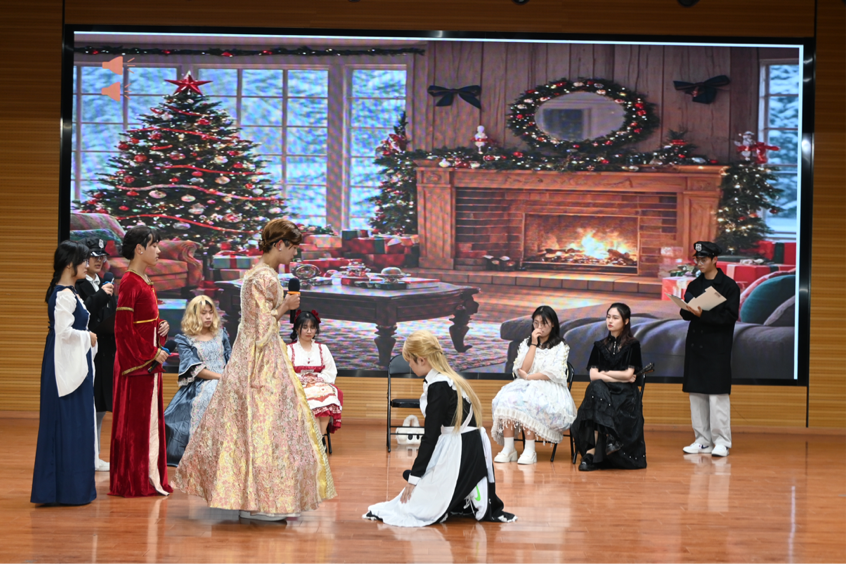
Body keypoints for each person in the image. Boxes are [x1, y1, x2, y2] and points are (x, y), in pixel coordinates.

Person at [175, 219, 336, 522]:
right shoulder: (266, 278)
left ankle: (249, 499)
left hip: (248, 354)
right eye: (293, 247)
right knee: (267, 424)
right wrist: (286, 306)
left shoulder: (254, 274)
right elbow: (262, 327)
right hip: (262, 359)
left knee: (247, 425)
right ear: (279, 244)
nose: (295, 253)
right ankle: (261, 502)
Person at [364, 330, 517, 527]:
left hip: (460, 450)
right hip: (467, 446)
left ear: (421, 359)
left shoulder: (439, 386)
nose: (409, 366)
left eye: (410, 361)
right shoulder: (446, 379)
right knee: (419, 492)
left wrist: (414, 478)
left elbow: (430, 437)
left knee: (412, 507)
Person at [31, 241, 97, 505]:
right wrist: (88, 337)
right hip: (63, 368)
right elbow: (64, 332)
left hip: (71, 364)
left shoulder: (71, 293)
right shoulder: (64, 295)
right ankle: (65, 490)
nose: (87, 265)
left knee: (75, 425)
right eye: (83, 260)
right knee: (68, 424)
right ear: (70, 264)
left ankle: (71, 489)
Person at [109, 226, 172, 498]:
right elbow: (123, 329)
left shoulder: (144, 281)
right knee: (137, 425)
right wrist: (150, 353)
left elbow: (142, 323)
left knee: (148, 422)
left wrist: (160, 327)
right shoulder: (130, 282)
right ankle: (135, 479)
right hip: (138, 365)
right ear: (139, 249)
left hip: (148, 363)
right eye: (154, 245)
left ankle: (149, 475)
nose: (158, 251)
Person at [490, 306, 576, 465]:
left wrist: (530, 377)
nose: (539, 327)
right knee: (507, 398)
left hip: (550, 386)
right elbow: (522, 368)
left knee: (529, 400)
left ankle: (530, 450)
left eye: (544, 323)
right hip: (526, 384)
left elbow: (555, 372)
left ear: (553, 324)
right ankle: (509, 449)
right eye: (536, 323)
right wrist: (533, 345)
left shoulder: (560, 346)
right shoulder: (526, 343)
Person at [680, 241, 740, 458]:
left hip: (717, 347)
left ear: (715, 259)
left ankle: (722, 441)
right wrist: (688, 308)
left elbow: (729, 317)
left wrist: (702, 314)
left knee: (717, 396)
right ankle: (702, 440)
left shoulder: (729, 286)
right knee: (696, 395)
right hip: (696, 346)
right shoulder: (694, 285)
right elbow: (685, 314)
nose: (700, 263)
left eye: (703, 259)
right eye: (697, 259)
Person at [573, 303, 646, 471]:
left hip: (625, 394)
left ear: (626, 321)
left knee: (596, 393)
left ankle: (592, 454)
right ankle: (607, 441)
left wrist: (604, 373)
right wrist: (615, 376)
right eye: (608, 317)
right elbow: (593, 375)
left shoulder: (633, 345)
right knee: (596, 388)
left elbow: (629, 375)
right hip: (603, 392)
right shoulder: (599, 345)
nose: (610, 321)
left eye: (615, 318)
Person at [164, 295, 231, 467]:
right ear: (194, 315)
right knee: (211, 392)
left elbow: (231, 360)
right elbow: (195, 370)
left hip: (226, 380)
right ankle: (205, 453)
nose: (208, 316)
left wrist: (230, 378)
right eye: (203, 313)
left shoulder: (221, 334)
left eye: (210, 312)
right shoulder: (185, 339)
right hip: (201, 383)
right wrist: (221, 378)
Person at [75, 237, 117, 473]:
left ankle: (95, 454)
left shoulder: (105, 282)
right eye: (94, 256)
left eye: (102, 256)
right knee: (88, 407)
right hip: (87, 350)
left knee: (100, 408)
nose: (99, 260)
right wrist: (101, 294)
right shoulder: (78, 284)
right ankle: (87, 456)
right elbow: (82, 313)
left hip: (106, 352)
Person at [287, 309, 342, 439]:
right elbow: (285, 372)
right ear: (297, 328)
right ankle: (316, 442)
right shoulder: (289, 349)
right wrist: (303, 379)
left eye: (312, 327)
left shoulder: (322, 348)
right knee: (310, 400)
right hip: (298, 385)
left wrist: (317, 378)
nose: (309, 331)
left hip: (319, 384)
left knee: (327, 398)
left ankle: (319, 439)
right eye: (305, 327)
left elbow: (330, 370)